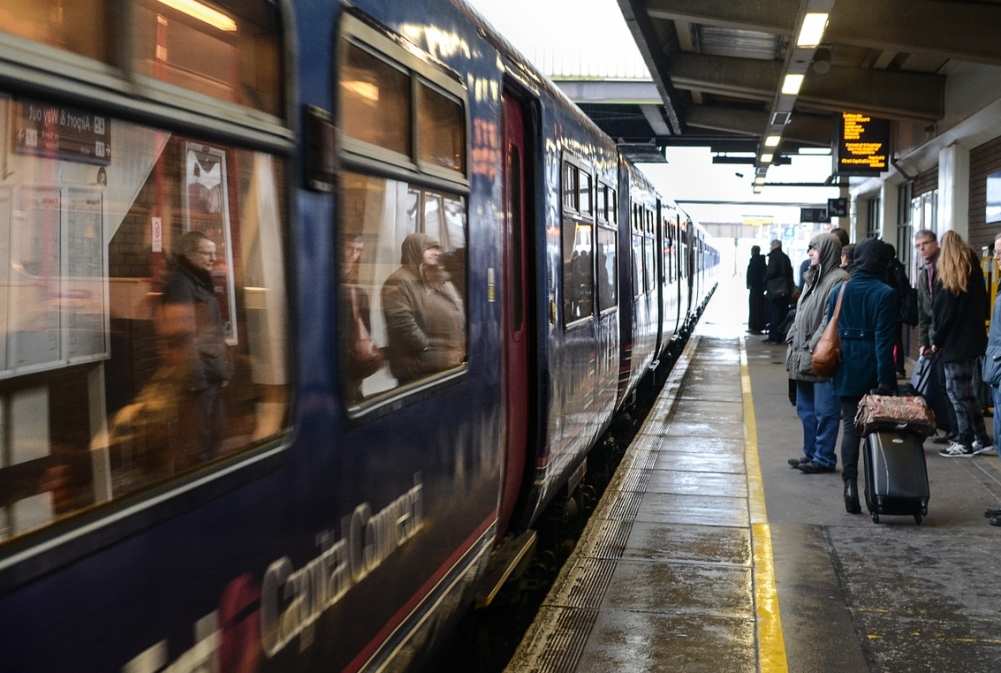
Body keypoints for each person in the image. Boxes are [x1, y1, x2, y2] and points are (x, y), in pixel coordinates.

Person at [826, 237, 898, 513]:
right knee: (873, 431)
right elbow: (884, 341)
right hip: (870, 368)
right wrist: (886, 380)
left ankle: (849, 486)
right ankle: (873, 489)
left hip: (844, 366)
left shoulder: (839, 291)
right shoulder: (885, 293)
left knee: (850, 428)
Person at [162, 230, 233, 465]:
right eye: (206, 253)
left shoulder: (202, 280)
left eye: (214, 253)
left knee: (214, 437)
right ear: (189, 254)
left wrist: (224, 370)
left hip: (212, 373)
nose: (213, 258)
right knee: (196, 447)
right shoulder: (180, 284)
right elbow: (183, 337)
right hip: (199, 379)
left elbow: (213, 331)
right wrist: (196, 382)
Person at [785, 233, 848, 474]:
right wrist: (792, 335)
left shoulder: (839, 279)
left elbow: (831, 317)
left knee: (825, 411)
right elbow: (801, 310)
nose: (810, 253)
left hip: (820, 355)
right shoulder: (813, 278)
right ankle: (810, 453)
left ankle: (823, 457)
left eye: (814, 249)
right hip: (802, 354)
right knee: (806, 410)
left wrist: (812, 344)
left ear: (827, 252)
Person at [931, 230, 992, 457]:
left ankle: (964, 442)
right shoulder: (974, 271)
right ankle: (981, 438)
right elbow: (985, 306)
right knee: (968, 393)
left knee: (956, 393)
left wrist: (937, 339)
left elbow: (945, 314)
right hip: (974, 341)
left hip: (955, 343)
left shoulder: (949, 278)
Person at [382, 232, 466, 384]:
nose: (436, 252)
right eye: (429, 248)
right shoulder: (399, 281)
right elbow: (401, 322)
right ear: (414, 250)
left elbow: (457, 306)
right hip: (420, 369)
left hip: (445, 365)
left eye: (437, 248)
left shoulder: (437, 277)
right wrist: (425, 348)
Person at [914, 229, 960, 445]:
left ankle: (959, 431)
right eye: (918, 246)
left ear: (936, 244)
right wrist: (924, 342)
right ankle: (951, 429)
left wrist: (937, 339)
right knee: (942, 385)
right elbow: (923, 313)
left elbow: (948, 309)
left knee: (953, 387)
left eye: (925, 244)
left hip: (950, 338)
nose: (921, 249)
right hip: (935, 338)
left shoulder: (947, 268)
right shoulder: (924, 273)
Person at [342, 233, 384, 403]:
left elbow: (366, 331)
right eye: (348, 248)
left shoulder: (358, 292)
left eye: (358, 250)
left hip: (350, 366)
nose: (353, 255)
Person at [763, 239, 794, 343]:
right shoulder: (785, 257)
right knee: (783, 313)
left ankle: (774, 337)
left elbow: (771, 271)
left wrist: (764, 281)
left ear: (772, 246)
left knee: (775, 313)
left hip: (775, 290)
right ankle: (783, 336)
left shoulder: (773, 257)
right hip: (786, 290)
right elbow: (790, 272)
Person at [746, 245, 767, 334]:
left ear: (754, 251)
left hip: (755, 289)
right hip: (760, 289)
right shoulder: (762, 261)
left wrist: (749, 284)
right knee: (759, 308)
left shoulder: (754, 261)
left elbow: (751, 274)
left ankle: (753, 327)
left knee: (753, 308)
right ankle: (758, 327)